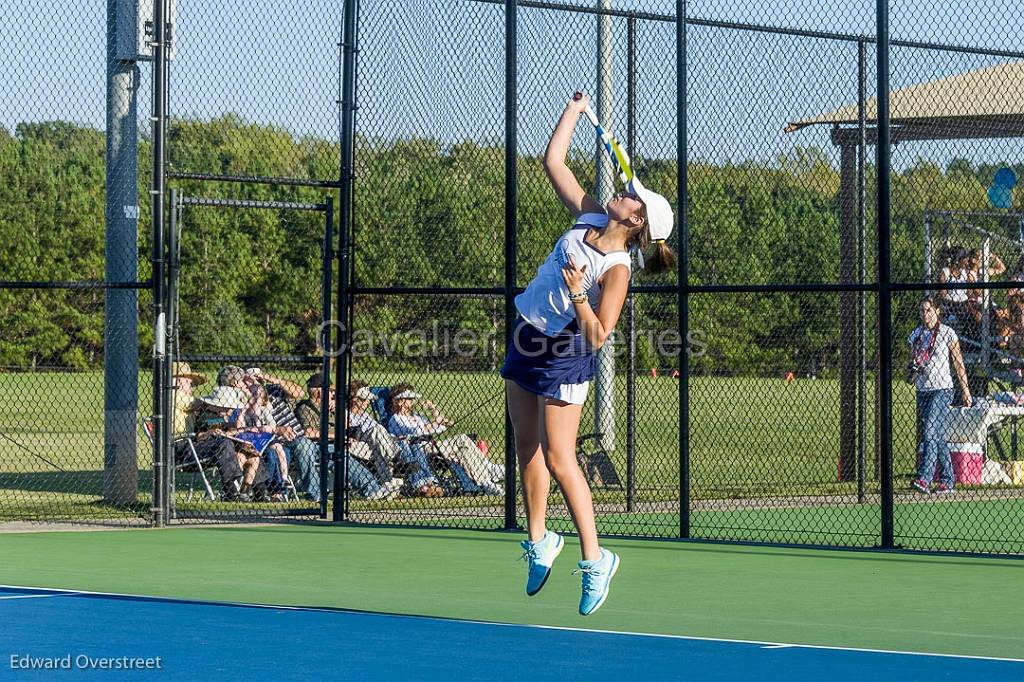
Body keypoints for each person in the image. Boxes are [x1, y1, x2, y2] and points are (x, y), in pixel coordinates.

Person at [499, 92, 675, 615]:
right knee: (525, 448)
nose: (624, 192)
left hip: (566, 353)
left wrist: (579, 292)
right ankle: (540, 541)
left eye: (632, 197)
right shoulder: (590, 214)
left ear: (637, 221)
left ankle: (596, 560)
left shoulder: (617, 268)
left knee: (560, 457)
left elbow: (599, 335)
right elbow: (553, 163)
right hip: (526, 333)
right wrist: (573, 111)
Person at [294, 374, 403, 501]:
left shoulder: (331, 408)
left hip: (332, 445)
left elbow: (347, 427)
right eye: (330, 391)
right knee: (324, 449)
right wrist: (337, 436)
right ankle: (316, 494)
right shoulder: (305, 408)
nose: (333, 394)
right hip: (314, 445)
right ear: (319, 392)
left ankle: (373, 489)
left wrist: (338, 411)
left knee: (343, 457)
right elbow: (309, 432)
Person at [386, 383, 503, 496]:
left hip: (434, 446)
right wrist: (433, 424)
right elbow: (415, 432)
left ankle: (486, 484)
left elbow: (443, 426)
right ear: (400, 401)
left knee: (463, 451)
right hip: (420, 448)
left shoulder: (417, 417)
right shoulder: (396, 419)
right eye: (410, 399)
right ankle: (490, 468)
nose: (413, 401)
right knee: (462, 438)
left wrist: (433, 410)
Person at [907, 296, 972, 495]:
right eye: (922, 311)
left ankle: (925, 478)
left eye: (928, 310)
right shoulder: (916, 335)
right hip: (923, 389)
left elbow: (958, 362)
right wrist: (913, 368)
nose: (925, 315)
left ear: (937, 311)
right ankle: (947, 480)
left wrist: (965, 390)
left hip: (942, 390)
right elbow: (911, 364)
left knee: (929, 431)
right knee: (937, 435)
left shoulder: (947, 333)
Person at [347, 380, 442, 497]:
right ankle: (400, 461)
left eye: (367, 399)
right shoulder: (347, 414)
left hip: (385, 442)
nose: (367, 402)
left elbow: (440, 425)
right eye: (363, 399)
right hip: (365, 441)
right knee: (381, 431)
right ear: (354, 399)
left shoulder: (366, 416)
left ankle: (426, 483)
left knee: (404, 442)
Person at [170, 362, 249, 501]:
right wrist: (221, 402)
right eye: (189, 382)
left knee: (238, 446)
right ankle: (231, 491)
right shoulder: (172, 395)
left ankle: (260, 491)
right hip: (179, 448)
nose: (192, 387)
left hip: (191, 445)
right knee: (223, 444)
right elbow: (199, 403)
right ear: (177, 381)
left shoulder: (185, 402)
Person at [243, 368, 323, 503]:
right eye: (251, 378)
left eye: (257, 377)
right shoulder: (246, 399)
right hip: (270, 440)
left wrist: (270, 378)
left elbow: (299, 392)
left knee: (306, 446)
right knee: (276, 454)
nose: (255, 381)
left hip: (295, 437)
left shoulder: (272, 390)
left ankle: (315, 496)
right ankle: (276, 492)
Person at [188, 384, 270, 500]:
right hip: (213, 451)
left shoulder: (231, 416)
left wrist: (240, 413)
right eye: (226, 407)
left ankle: (246, 493)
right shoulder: (206, 415)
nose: (229, 410)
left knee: (254, 456)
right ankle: (233, 491)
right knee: (239, 454)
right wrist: (211, 432)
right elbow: (198, 437)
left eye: (230, 407)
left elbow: (238, 430)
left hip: (232, 450)